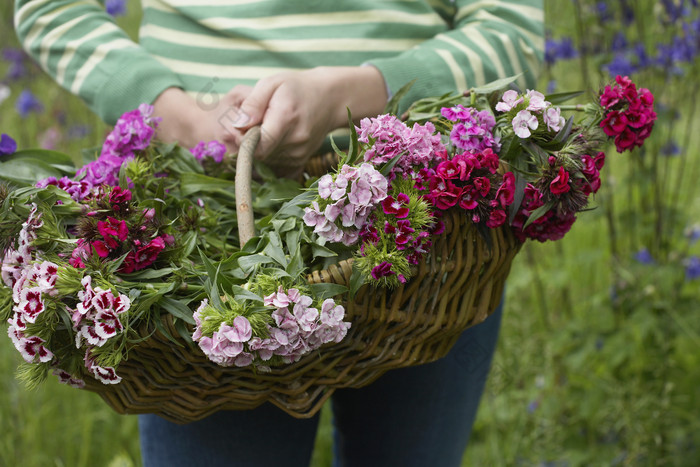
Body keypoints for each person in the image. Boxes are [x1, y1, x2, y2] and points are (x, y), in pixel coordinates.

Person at [14, 1, 544, 465]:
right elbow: (50, 7)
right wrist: (170, 112)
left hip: (425, 216)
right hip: (200, 222)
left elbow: (511, 31)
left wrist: (353, 92)